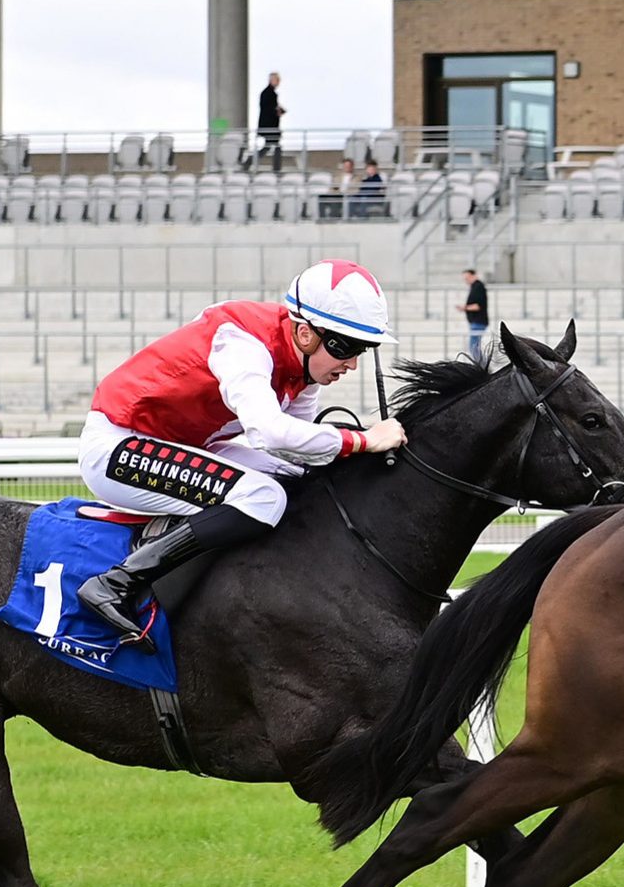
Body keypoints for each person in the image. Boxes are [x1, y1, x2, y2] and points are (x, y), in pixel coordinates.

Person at [74, 261, 405, 646]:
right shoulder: (243, 342)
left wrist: (353, 455)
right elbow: (269, 433)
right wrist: (363, 440)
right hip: (117, 446)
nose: (351, 363)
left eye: (360, 350)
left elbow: (297, 451)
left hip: (182, 446)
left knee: (298, 482)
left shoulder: (303, 373)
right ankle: (117, 582)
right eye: (344, 347)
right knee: (263, 498)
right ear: (304, 333)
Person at [456, 268, 489, 361]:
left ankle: (482, 366)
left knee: (474, 347)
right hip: (476, 321)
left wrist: (464, 308)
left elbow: (478, 306)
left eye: (467, 278)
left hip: (478, 321)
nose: (466, 280)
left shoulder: (478, 287)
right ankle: (482, 365)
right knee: (474, 347)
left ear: (474, 276)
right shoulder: (475, 287)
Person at [256, 72, 284, 173]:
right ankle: (276, 169)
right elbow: (268, 109)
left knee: (269, 147)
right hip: (269, 126)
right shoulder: (269, 93)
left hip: (269, 126)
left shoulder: (269, 93)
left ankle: (250, 161)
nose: (278, 82)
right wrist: (277, 111)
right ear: (272, 80)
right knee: (274, 147)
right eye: (277, 80)